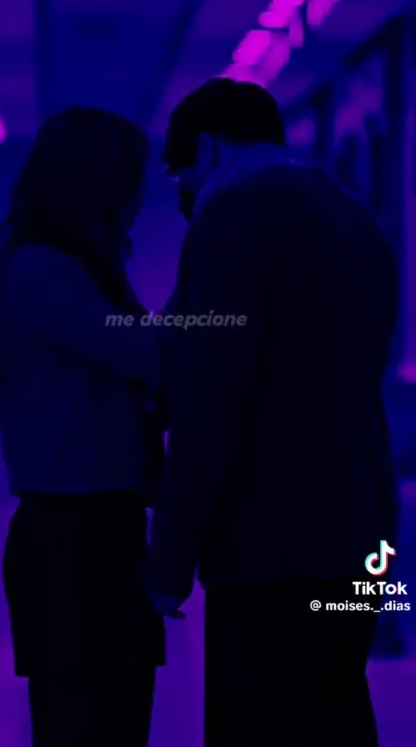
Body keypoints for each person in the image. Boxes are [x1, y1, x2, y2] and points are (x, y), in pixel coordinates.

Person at [148, 79, 399, 746]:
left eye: (181, 176)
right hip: (363, 534)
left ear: (207, 148)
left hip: (271, 545)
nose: (184, 197)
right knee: (338, 711)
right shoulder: (357, 217)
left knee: (259, 725)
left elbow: (208, 402)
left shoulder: (231, 219)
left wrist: (168, 564)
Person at [0, 107, 165, 747]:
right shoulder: (46, 271)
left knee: (103, 721)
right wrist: (222, 312)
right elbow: (146, 352)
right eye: (130, 182)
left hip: (92, 528)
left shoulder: (65, 269)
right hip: (74, 536)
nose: (140, 200)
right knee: (88, 725)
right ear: (94, 185)